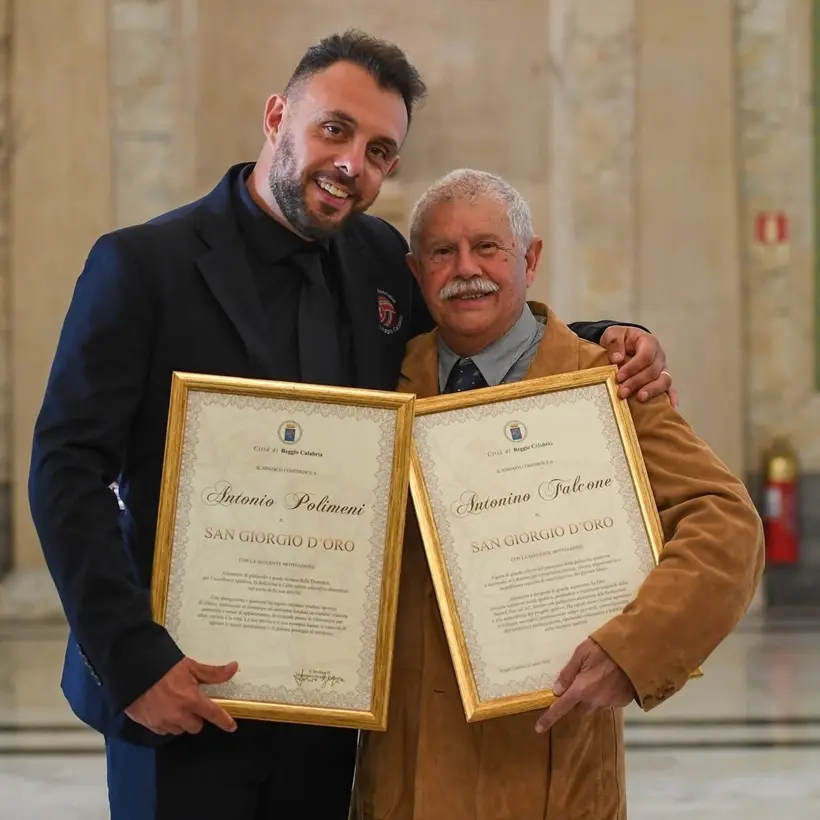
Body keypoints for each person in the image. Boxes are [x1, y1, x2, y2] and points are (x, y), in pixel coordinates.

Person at [28, 32, 675, 820]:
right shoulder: (140, 266)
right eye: (334, 130)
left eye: (379, 152)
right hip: (179, 691)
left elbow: (469, 331)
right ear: (277, 117)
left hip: (328, 698)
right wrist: (132, 662)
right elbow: (66, 467)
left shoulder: (377, 258)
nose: (351, 165)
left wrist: (608, 338)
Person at [352, 168, 764, 820]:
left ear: (530, 259)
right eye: (443, 252)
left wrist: (635, 650)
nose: (466, 269)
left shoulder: (607, 382)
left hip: (550, 762)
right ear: (416, 271)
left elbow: (726, 524)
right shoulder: (381, 386)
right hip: (406, 769)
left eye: (488, 247)